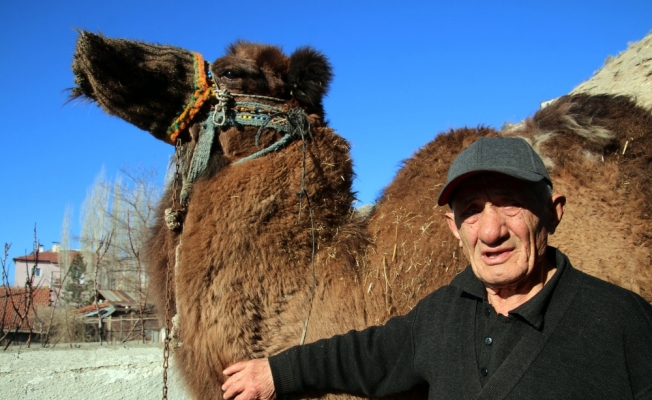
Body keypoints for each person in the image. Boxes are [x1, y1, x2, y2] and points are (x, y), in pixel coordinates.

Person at [221, 137, 652, 399]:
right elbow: (368, 355)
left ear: (553, 212)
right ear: (453, 227)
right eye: (471, 211)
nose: (490, 231)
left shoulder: (623, 323)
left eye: (510, 204)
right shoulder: (443, 314)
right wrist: (277, 372)